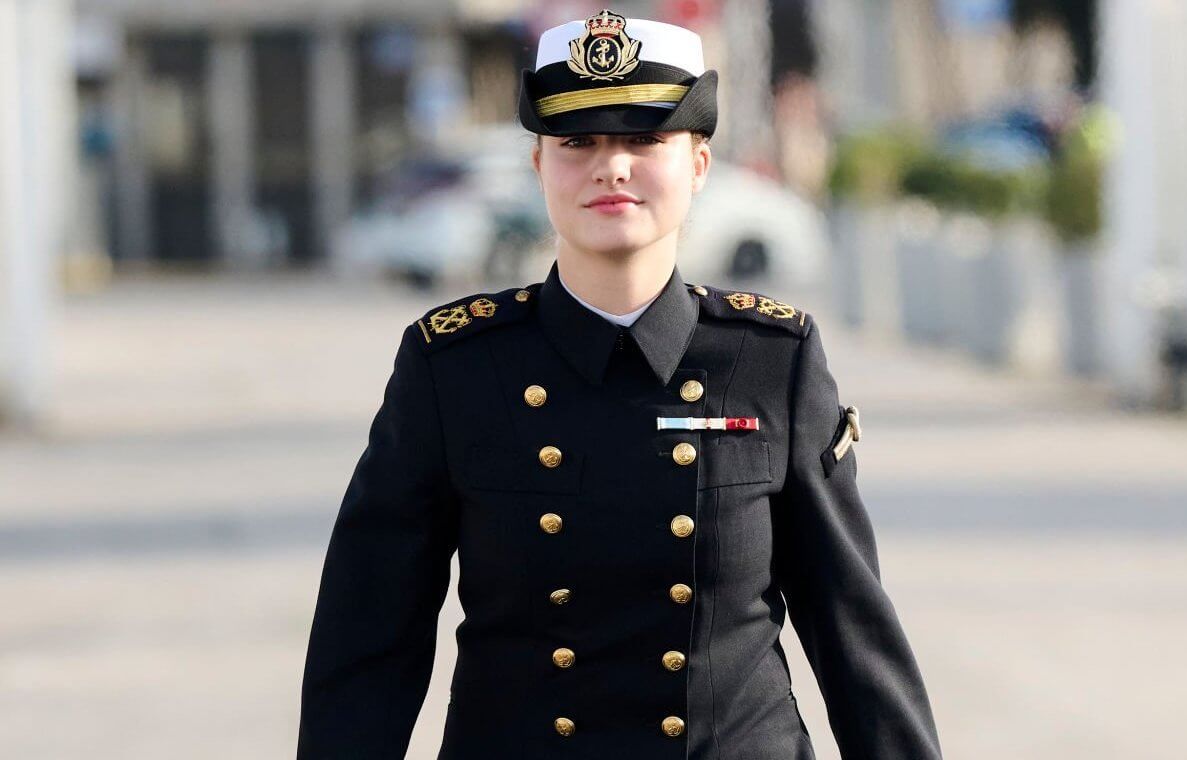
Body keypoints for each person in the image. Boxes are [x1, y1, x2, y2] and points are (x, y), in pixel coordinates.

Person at [297, 9, 942, 759]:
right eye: (578, 143)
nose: (611, 167)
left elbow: (852, 632)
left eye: (643, 139)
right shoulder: (455, 369)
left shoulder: (772, 361)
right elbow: (369, 636)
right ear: (539, 166)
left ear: (698, 163)